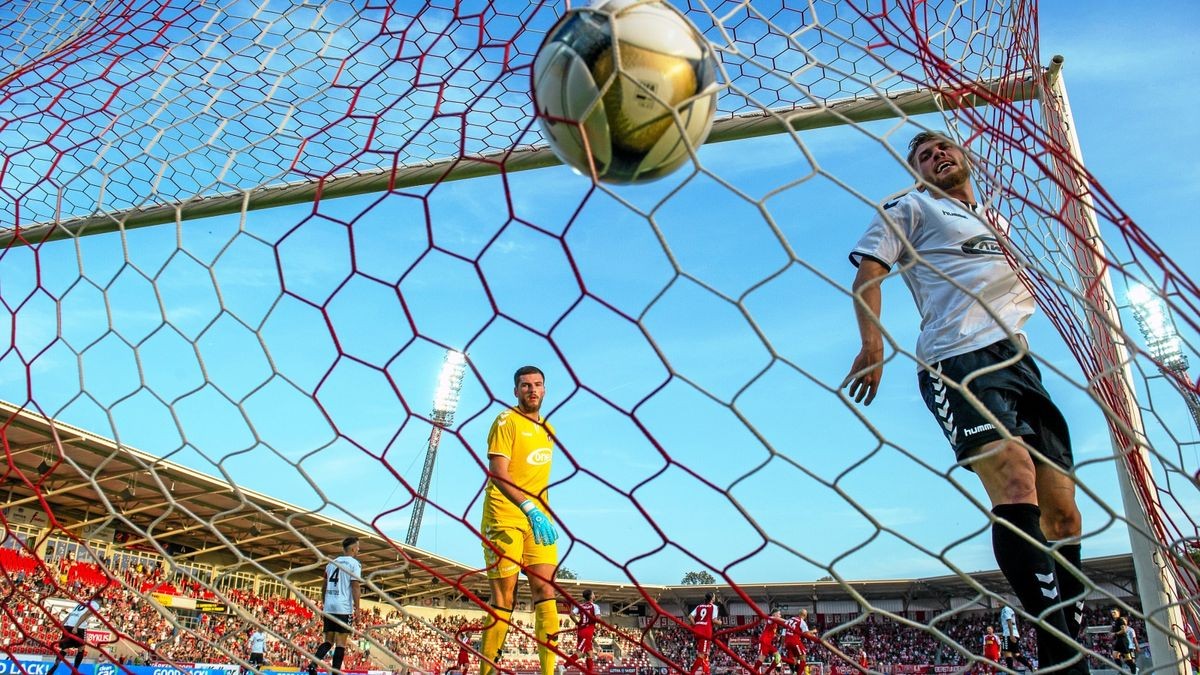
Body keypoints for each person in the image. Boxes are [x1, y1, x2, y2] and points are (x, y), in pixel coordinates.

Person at [845, 130, 1087, 673]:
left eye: (942, 148)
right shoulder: (907, 207)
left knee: (1065, 517)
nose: (937, 156)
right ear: (918, 172)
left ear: (965, 157)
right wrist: (873, 342)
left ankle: (1063, 640)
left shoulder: (995, 219)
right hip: (957, 361)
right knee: (1015, 478)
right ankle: (1066, 661)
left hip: (1019, 362)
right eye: (924, 156)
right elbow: (868, 274)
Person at [479, 365, 561, 675]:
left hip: (539, 518)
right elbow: (499, 472)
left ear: (545, 389)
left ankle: (549, 672)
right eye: (525, 385)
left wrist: (539, 511)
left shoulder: (549, 429)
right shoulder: (506, 420)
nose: (532, 390)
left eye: (537, 384)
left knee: (546, 589)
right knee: (505, 596)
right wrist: (528, 507)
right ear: (516, 391)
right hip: (505, 515)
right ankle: (486, 671)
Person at [308, 536, 362, 675]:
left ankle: (313, 664)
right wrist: (358, 610)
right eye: (357, 547)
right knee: (341, 643)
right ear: (352, 548)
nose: (358, 549)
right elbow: (355, 587)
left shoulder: (331, 563)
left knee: (328, 641)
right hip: (343, 607)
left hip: (329, 606)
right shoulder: (354, 564)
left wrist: (325, 605)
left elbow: (324, 586)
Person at [47, 596, 102, 675]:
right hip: (79, 627)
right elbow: (87, 614)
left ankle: (54, 667)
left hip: (68, 625)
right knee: (81, 648)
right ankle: (74, 670)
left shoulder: (82, 603)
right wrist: (76, 626)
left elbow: (70, 615)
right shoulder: (95, 604)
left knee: (65, 649)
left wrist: (62, 625)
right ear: (99, 601)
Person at [687, 592, 720, 675]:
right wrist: (720, 622)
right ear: (712, 598)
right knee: (701, 655)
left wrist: (695, 625)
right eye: (714, 596)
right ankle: (692, 673)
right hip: (705, 632)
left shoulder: (699, 606)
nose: (715, 598)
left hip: (697, 631)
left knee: (705, 654)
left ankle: (706, 672)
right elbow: (714, 620)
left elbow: (690, 617)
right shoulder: (714, 607)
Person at [571, 589, 600, 673]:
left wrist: (577, 623)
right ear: (591, 596)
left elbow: (571, 614)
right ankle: (564, 666)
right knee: (580, 652)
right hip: (586, 632)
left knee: (590, 654)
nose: (595, 595)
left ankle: (589, 673)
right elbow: (598, 619)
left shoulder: (580, 606)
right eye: (593, 593)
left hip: (582, 631)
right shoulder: (595, 606)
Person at [999, 605, 1033, 672]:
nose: (998, 604)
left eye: (999, 602)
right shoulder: (1010, 609)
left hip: (1008, 634)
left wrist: (1011, 635)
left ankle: (1010, 672)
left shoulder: (1005, 609)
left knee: (1008, 655)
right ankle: (1030, 666)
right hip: (1013, 634)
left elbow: (1009, 621)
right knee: (1017, 655)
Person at [781, 608, 814, 675]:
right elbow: (806, 634)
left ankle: (794, 672)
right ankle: (798, 673)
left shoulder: (789, 620)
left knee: (794, 660)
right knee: (803, 658)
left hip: (787, 642)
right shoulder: (801, 621)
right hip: (795, 641)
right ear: (805, 615)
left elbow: (783, 634)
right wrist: (813, 633)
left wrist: (782, 645)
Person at [755, 608, 784, 675]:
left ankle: (767, 672)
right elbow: (777, 619)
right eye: (779, 614)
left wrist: (777, 636)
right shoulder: (771, 618)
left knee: (778, 657)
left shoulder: (775, 623)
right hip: (764, 641)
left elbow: (771, 632)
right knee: (761, 659)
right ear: (774, 614)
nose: (780, 615)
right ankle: (753, 672)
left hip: (768, 643)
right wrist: (787, 621)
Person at [1110, 608, 1137, 673]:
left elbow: (1124, 630)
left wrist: (1115, 633)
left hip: (1123, 641)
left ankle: (1134, 670)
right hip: (1118, 640)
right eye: (1112, 613)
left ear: (1118, 613)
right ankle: (1121, 671)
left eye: (1114, 612)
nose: (1113, 614)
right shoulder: (1115, 621)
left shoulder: (1120, 620)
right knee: (1114, 655)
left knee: (1128, 658)